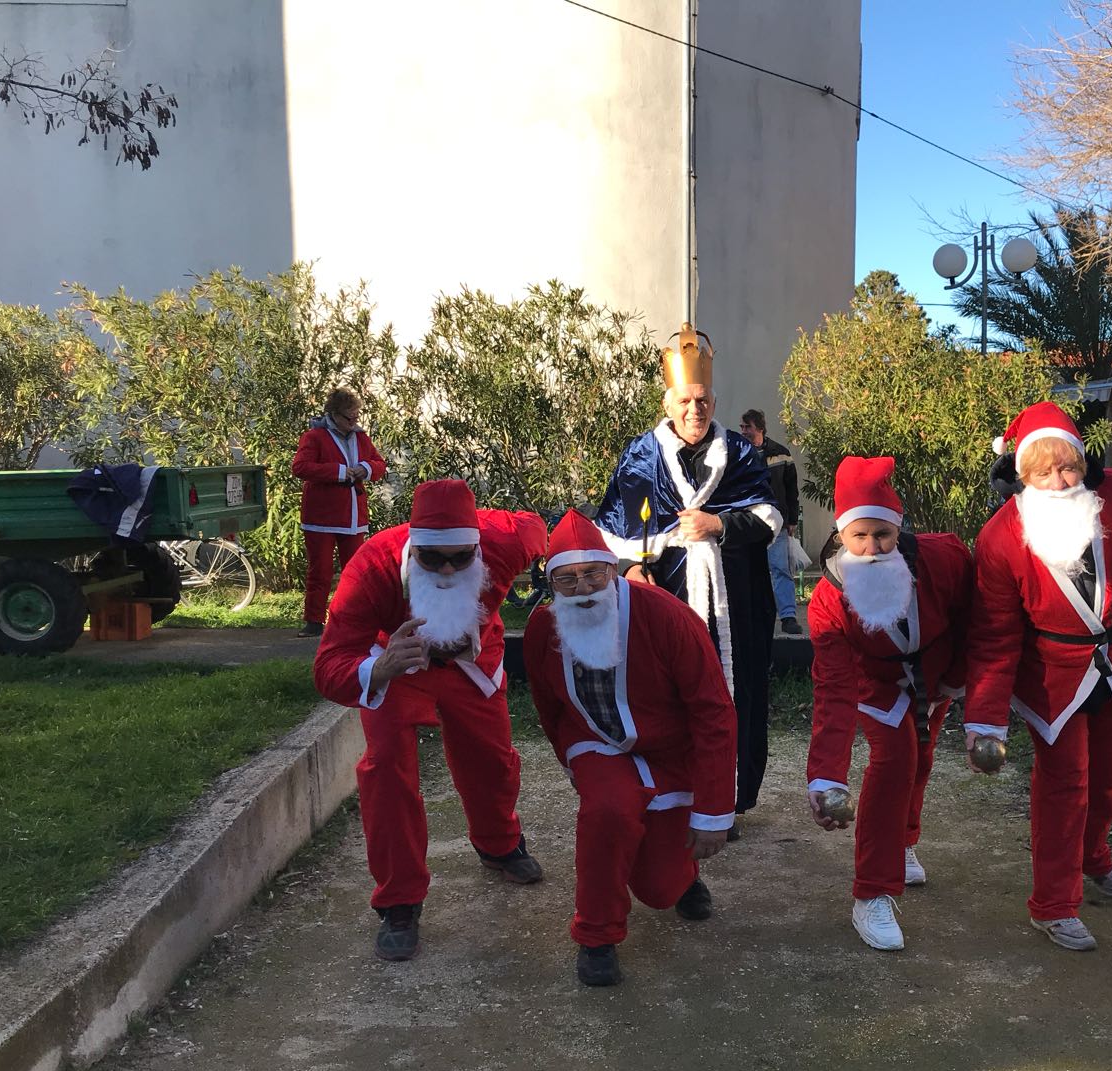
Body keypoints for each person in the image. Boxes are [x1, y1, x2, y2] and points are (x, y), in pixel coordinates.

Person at [964, 402, 1112, 952]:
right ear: (1021, 475)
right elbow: (994, 635)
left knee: (1110, 775)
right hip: (1052, 677)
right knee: (1064, 784)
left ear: (1082, 461)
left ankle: (1095, 857)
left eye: (1067, 467)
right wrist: (986, 720)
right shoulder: (1000, 539)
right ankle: (1053, 904)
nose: (1059, 481)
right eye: (1042, 473)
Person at [313, 478, 549, 962]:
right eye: (431, 558)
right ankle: (399, 901)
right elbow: (327, 665)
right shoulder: (373, 566)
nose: (446, 568)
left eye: (461, 558)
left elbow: (537, 528)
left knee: (491, 760)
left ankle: (499, 842)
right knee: (387, 771)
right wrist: (378, 669)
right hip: (398, 663)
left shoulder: (504, 543)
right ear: (411, 548)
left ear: (478, 546)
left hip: (473, 661)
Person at [525, 510, 737, 987]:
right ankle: (596, 936)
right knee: (607, 813)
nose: (582, 589)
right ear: (552, 583)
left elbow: (714, 712)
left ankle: (683, 873)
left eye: (593, 574)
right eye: (567, 579)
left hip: (669, 746)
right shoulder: (544, 629)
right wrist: (572, 758)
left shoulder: (667, 617)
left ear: (613, 571)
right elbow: (547, 703)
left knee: (659, 890)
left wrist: (713, 812)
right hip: (595, 741)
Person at [594, 323, 781, 833]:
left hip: (733, 600)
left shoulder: (741, 455)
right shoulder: (640, 455)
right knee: (669, 692)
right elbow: (618, 528)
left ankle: (727, 796)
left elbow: (768, 517)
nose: (694, 410)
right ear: (667, 400)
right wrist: (633, 569)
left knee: (732, 690)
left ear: (714, 400)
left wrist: (719, 524)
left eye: (702, 400)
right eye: (684, 400)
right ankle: (674, 792)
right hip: (667, 595)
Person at [805, 457, 972, 951]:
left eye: (882, 534)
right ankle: (871, 893)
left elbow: (973, 619)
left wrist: (961, 681)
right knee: (895, 757)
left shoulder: (945, 559)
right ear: (841, 536)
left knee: (922, 756)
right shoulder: (828, 602)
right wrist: (826, 776)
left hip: (938, 674)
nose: (873, 548)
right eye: (860, 536)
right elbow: (832, 694)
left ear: (898, 528)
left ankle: (903, 843)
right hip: (872, 681)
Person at [291, 385, 388, 638]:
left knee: (355, 572)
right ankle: (314, 620)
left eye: (357, 417)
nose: (354, 422)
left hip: (353, 515)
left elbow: (380, 465)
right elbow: (300, 467)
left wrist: (365, 468)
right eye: (349, 417)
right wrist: (340, 472)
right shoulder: (314, 437)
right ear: (333, 414)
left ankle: (352, 619)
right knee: (320, 571)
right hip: (321, 516)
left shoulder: (361, 437)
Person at [738, 408, 803, 635]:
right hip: (746, 522)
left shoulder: (781, 454)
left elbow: (791, 489)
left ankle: (788, 617)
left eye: (748, 427)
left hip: (777, 523)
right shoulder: (736, 453)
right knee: (749, 570)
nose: (744, 431)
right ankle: (753, 616)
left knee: (780, 568)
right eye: (742, 427)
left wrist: (792, 519)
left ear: (760, 429)